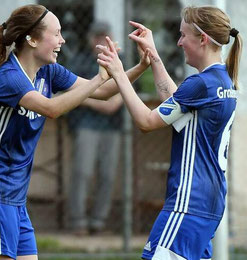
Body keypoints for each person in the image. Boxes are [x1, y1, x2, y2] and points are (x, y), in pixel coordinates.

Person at [0, 4, 149, 260]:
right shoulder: (9, 77)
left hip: (15, 198)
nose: (62, 40)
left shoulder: (48, 72)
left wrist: (141, 65)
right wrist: (99, 78)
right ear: (32, 39)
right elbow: (51, 108)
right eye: (57, 33)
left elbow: (104, 93)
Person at [97, 5, 242, 260]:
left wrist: (119, 74)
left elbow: (146, 121)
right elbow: (176, 102)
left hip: (187, 205)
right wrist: (153, 55)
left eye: (183, 35)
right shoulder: (222, 81)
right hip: (208, 204)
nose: (179, 42)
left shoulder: (200, 84)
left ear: (203, 39)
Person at [67, 21, 125, 235]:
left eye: (104, 37)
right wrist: (101, 102)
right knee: (83, 172)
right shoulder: (80, 61)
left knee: (108, 175)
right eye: (97, 37)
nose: (100, 41)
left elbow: (118, 99)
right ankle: (78, 220)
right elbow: (70, 93)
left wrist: (90, 98)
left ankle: (98, 221)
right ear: (91, 40)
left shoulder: (121, 60)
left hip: (113, 127)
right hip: (86, 125)